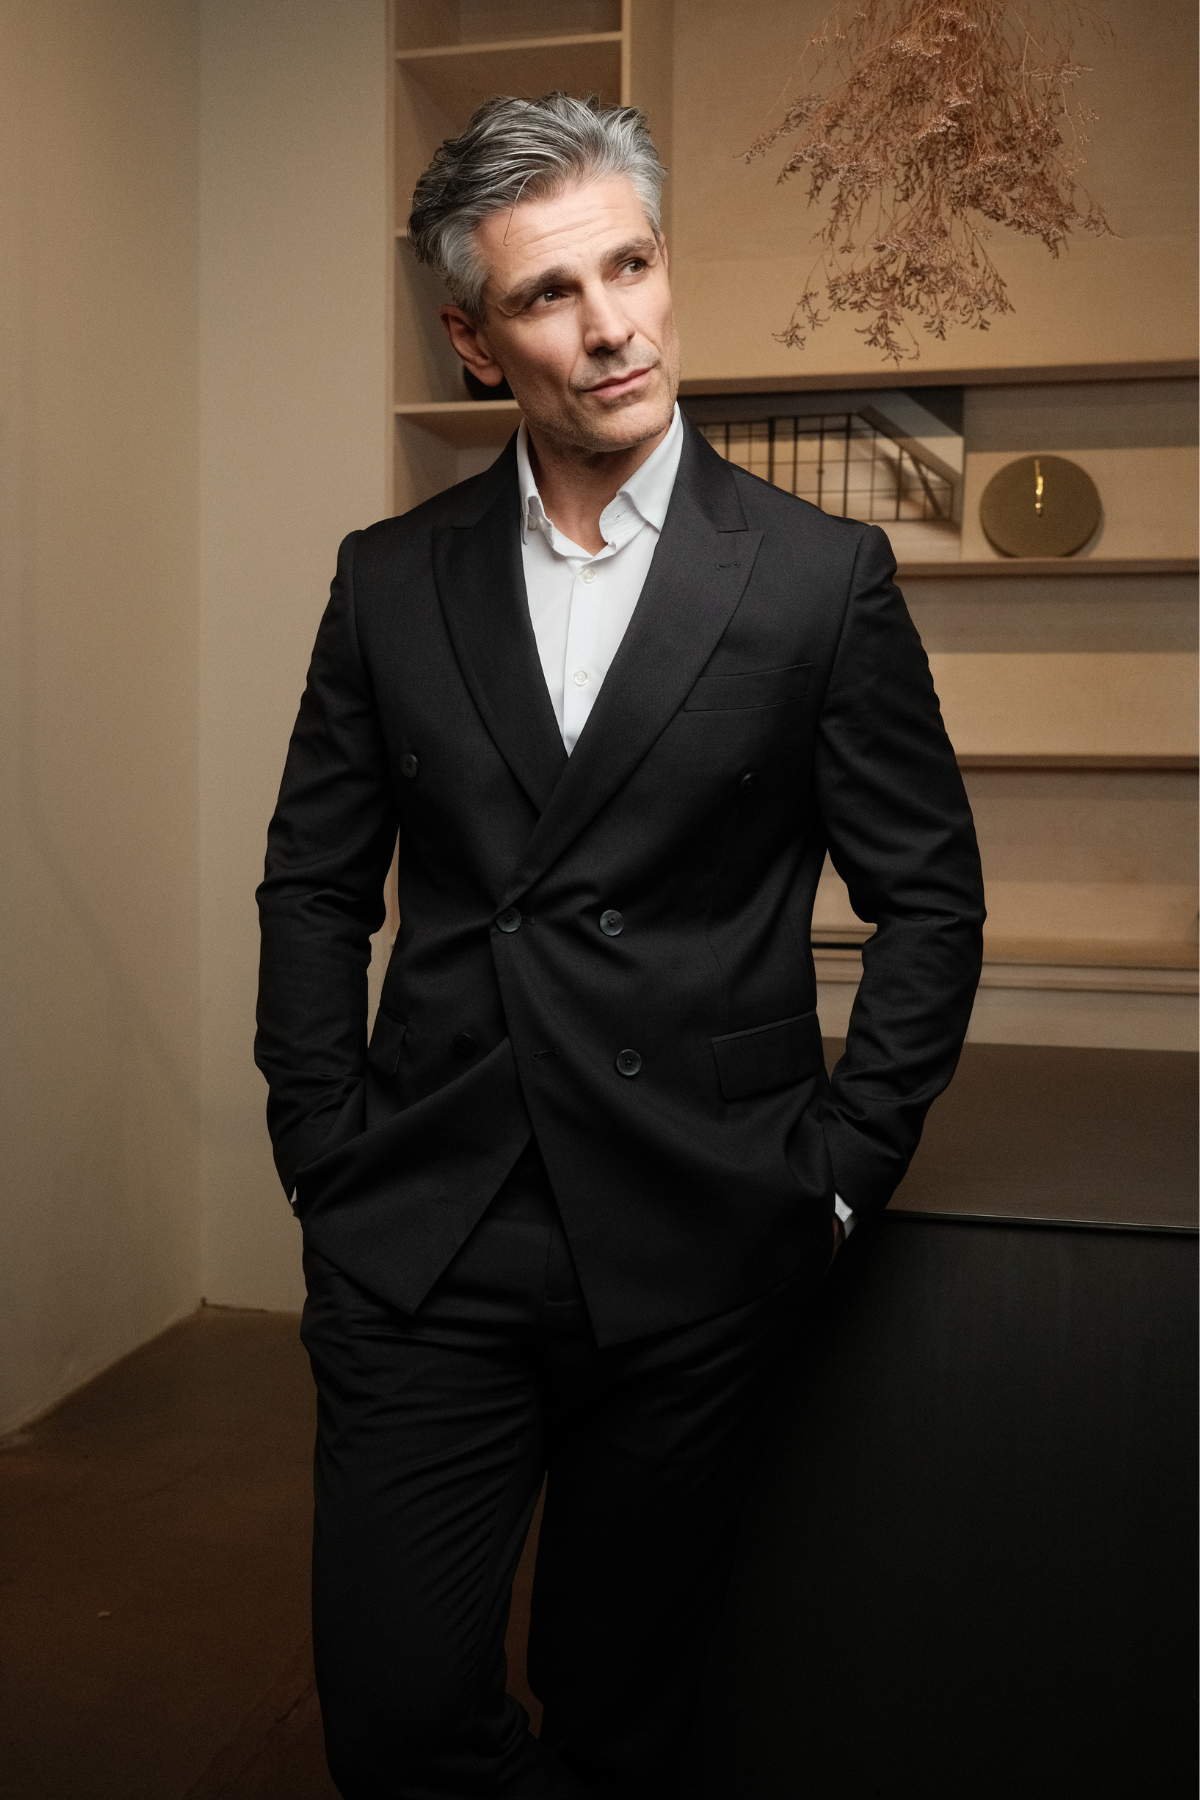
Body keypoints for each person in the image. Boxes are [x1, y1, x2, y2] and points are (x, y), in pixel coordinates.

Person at [255, 92, 985, 1800]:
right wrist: (321, 1148)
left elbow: (930, 897)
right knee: (395, 1716)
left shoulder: (818, 578)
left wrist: (837, 1177)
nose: (611, 328)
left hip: (698, 1226)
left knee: (624, 1718)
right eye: (549, 293)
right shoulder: (390, 579)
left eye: (633, 267)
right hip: (428, 1226)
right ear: (474, 338)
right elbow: (314, 886)